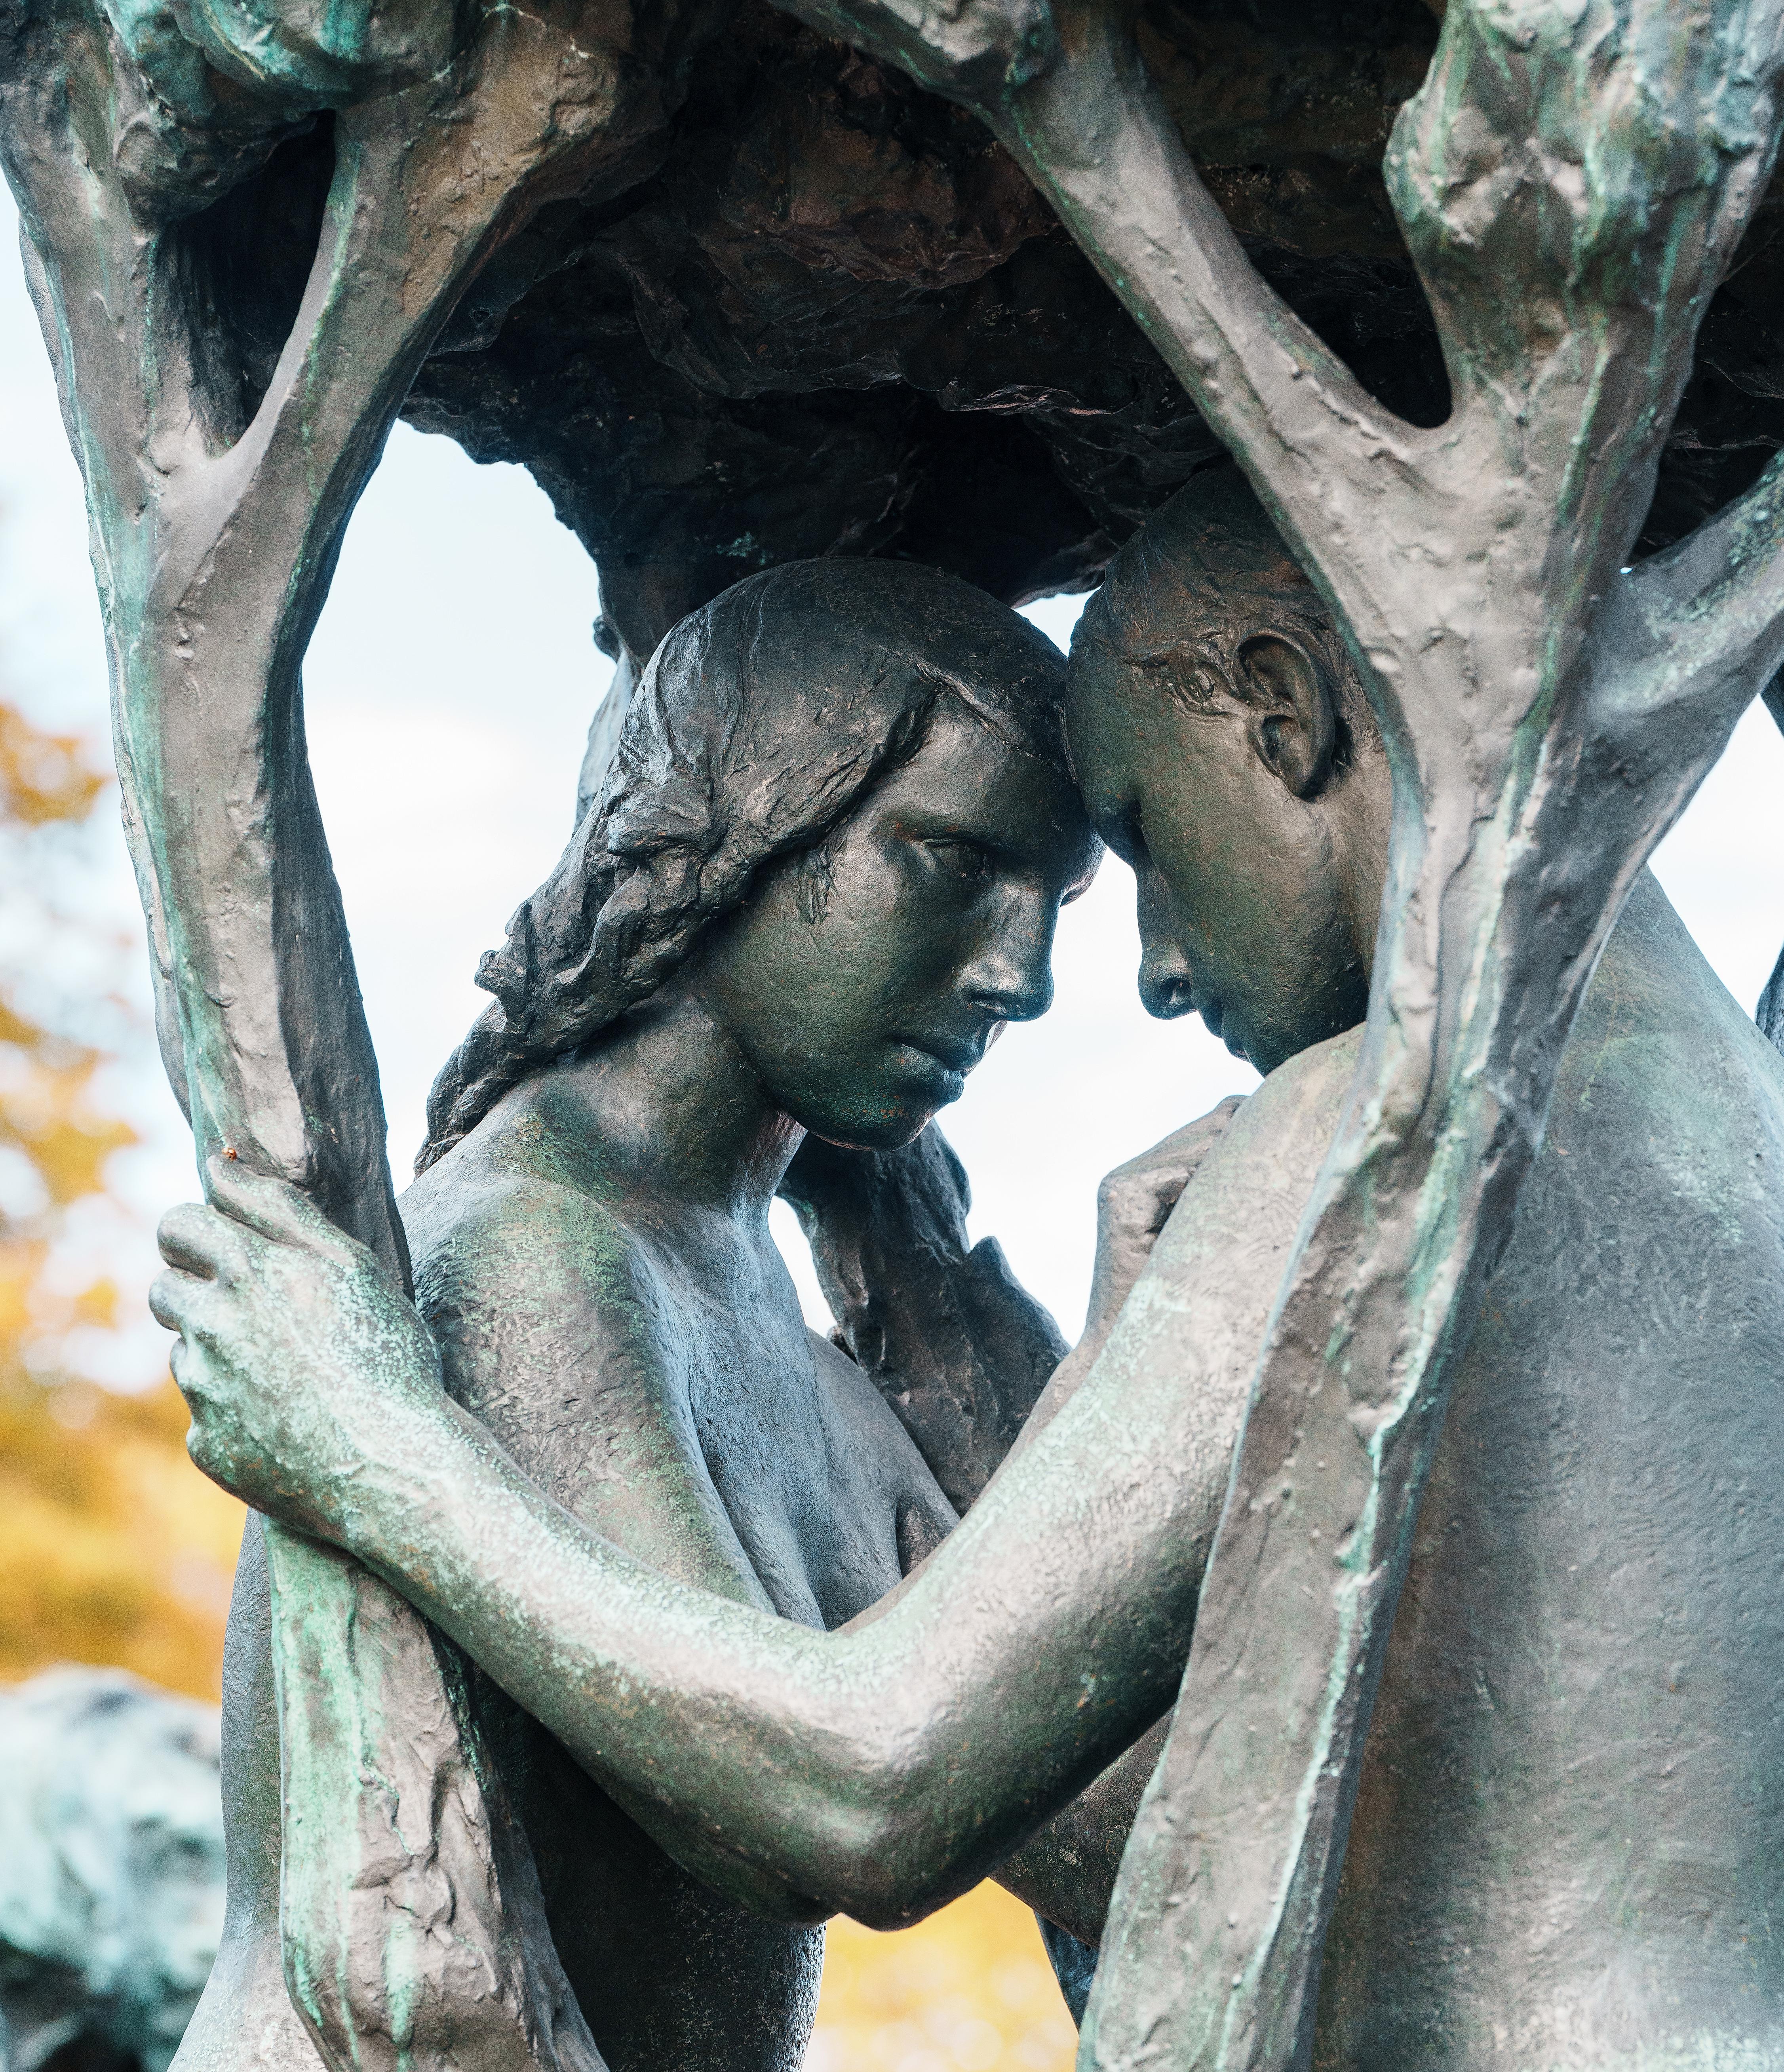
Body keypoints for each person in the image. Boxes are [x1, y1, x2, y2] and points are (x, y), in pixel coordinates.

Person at [156, 474, 1784, 2067]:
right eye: (950, 862)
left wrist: (1113, 1384)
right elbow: (826, 1815)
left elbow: (1060, 1817)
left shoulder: (766, 1317)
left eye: (1057, 895)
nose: (1024, 978)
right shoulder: (537, 1244)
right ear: (742, 834)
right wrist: (368, 1446)